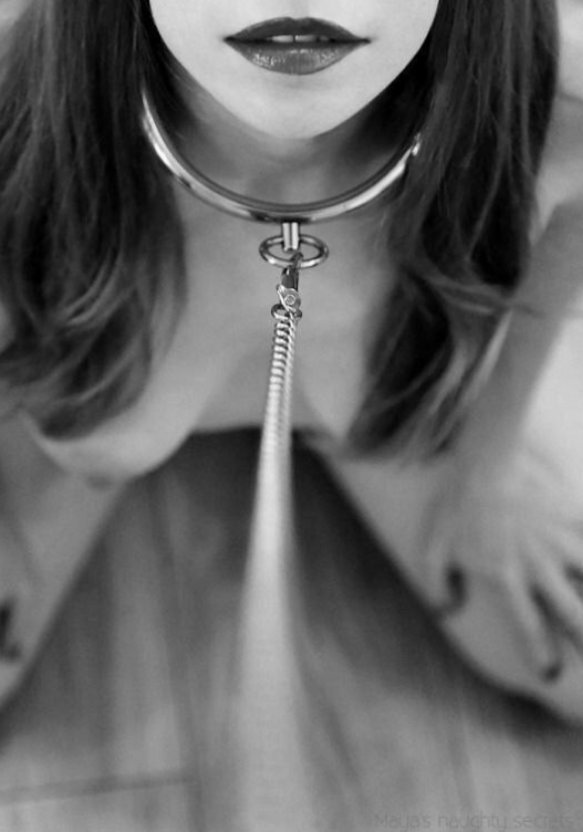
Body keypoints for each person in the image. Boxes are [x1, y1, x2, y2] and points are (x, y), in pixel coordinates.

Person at [0, 0, 582, 725]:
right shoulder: (13, 95)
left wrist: (489, 476)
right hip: (57, 406)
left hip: (405, 414)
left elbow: (546, 281)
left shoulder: (557, 107)